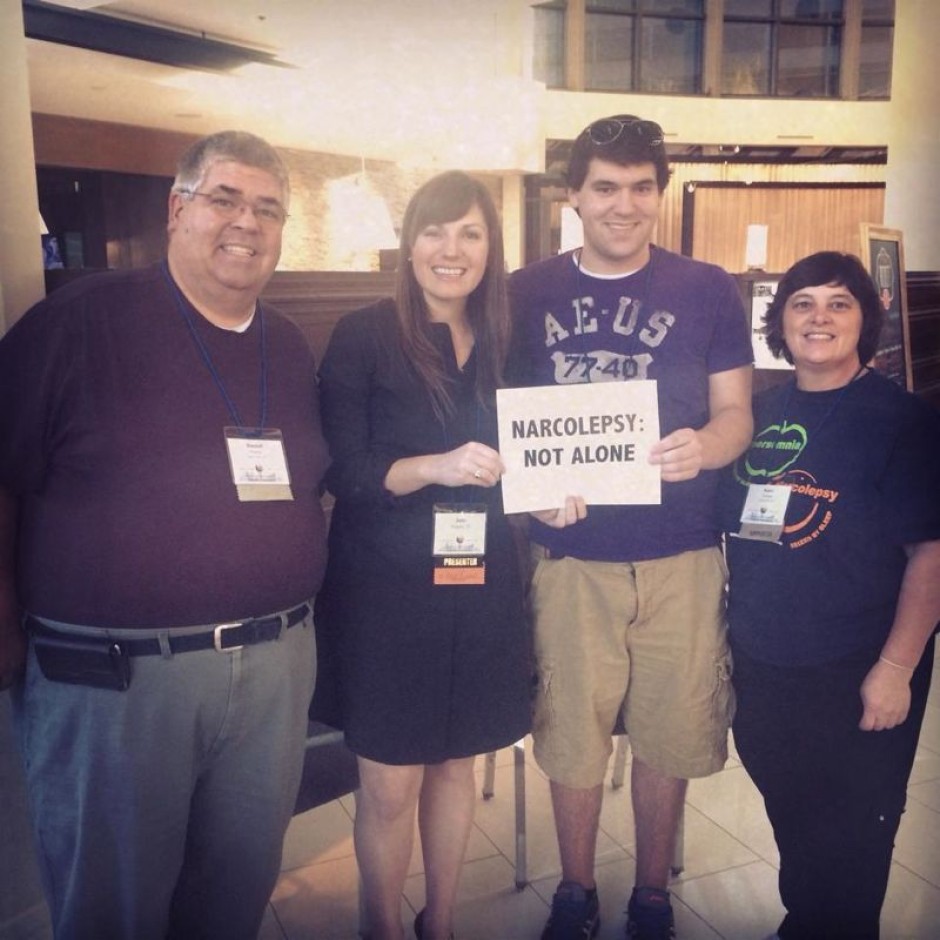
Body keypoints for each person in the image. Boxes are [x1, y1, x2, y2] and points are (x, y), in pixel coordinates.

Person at [0, 131, 330, 940]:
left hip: (271, 675)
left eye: (267, 208)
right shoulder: (78, 323)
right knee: (113, 910)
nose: (245, 222)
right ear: (177, 209)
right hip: (118, 682)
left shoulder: (286, 344)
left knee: (233, 899)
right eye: (225, 198)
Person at [507, 114, 753, 940]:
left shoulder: (707, 287)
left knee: (671, 729)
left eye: (641, 187)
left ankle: (652, 892)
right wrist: (533, 489)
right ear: (573, 194)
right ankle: (575, 888)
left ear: (660, 192)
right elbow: (499, 422)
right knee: (572, 731)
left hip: (682, 552)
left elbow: (735, 416)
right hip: (572, 555)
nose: (624, 204)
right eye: (605, 187)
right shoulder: (523, 290)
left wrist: (706, 448)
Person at [311, 170, 531, 940]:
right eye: (434, 231)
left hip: (482, 586)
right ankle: (380, 926)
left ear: (490, 248)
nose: (451, 249)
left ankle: (436, 923)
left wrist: (561, 487)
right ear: (407, 246)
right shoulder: (364, 333)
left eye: (470, 233)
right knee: (391, 781)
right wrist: (436, 466)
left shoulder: (509, 339)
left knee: (456, 764)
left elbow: (536, 454)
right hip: (386, 589)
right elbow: (345, 469)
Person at [719, 251, 940, 940]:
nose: (820, 318)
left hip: (857, 665)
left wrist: (896, 669)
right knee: (795, 813)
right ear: (779, 322)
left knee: (854, 832)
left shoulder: (902, 419)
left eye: (839, 304)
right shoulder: (757, 409)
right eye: (803, 303)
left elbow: (932, 551)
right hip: (764, 660)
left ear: (864, 322)